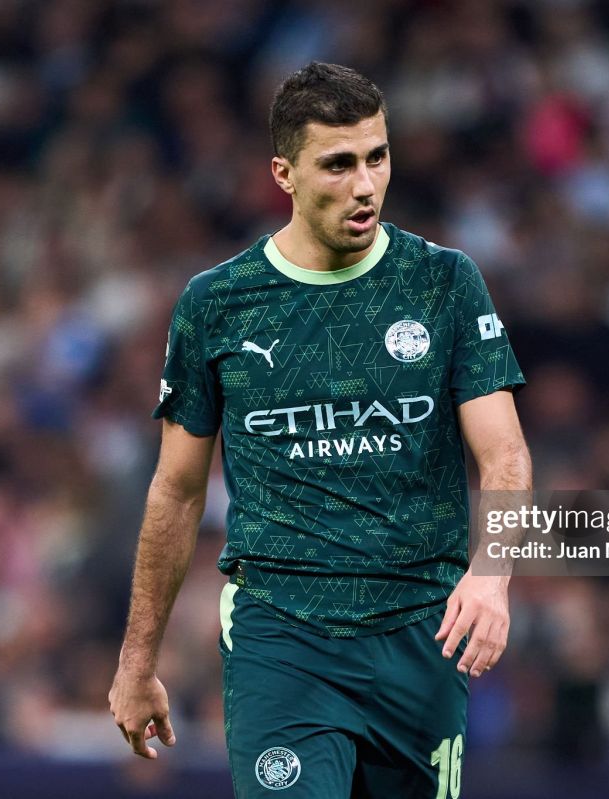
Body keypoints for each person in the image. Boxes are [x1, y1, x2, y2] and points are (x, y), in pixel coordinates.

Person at [109, 62, 531, 798]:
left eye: (377, 157)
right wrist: (136, 662)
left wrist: (492, 575)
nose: (365, 184)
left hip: (422, 634)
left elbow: (505, 454)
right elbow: (176, 491)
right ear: (285, 174)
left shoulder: (444, 282)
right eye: (338, 164)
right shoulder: (218, 304)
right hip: (283, 637)